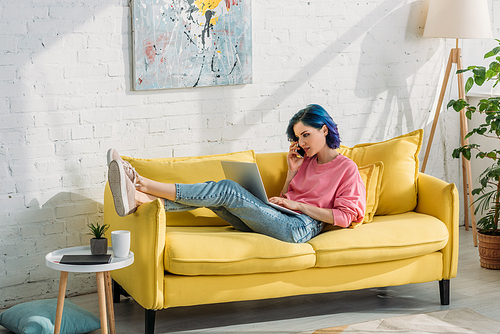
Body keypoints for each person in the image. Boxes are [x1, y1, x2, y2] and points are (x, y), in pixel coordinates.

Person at [107, 104, 366, 243]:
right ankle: (143, 200)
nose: (301, 142)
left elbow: (344, 217)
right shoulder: (305, 162)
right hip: (282, 219)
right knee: (217, 198)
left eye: (306, 135)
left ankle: (140, 182)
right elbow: (286, 198)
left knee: (227, 189)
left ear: (324, 129)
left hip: (301, 229)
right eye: (299, 137)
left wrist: (296, 204)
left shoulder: (347, 168)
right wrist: (291, 173)